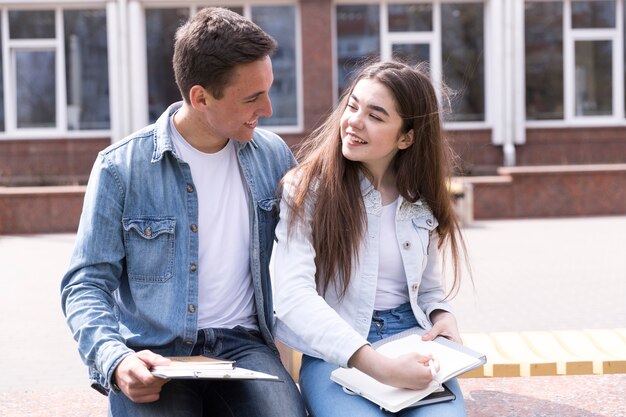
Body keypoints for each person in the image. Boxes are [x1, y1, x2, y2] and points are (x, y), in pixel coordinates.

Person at [60, 7, 307, 417]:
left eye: (268, 90)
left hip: (245, 346)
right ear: (200, 97)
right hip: (154, 351)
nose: (267, 109)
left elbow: (318, 247)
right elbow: (85, 284)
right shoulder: (120, 168)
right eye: (252, 97)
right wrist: (116, 359)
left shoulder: (273, 156)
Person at [273, 60, 470, 417]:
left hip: (412, 341)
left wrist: (442, 315)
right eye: (352, 106)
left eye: (376, 116)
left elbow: (427, 290)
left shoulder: (420, 198)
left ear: (406, 137)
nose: (354, 122)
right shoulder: (304, 190)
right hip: (339, 350)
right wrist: (378, 365)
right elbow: (292, 296)